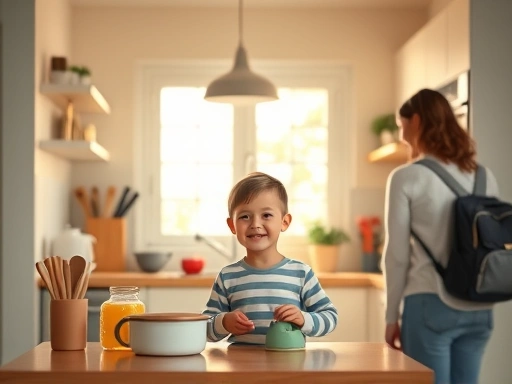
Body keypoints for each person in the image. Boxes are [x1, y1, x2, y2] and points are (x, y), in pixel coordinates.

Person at [382, 89, 498, 384]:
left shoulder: (406, 177)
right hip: (480, 307)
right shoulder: (484, 176)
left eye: (401, 124)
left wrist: (391, 316)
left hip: (430, 304)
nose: (401, 134)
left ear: (416, 121)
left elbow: (397, 255)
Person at [202, 172, 338, 345]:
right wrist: (224, 323)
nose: (255, 224)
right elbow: (205, 328)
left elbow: (330, 316)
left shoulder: (301, 273)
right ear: (232, 225)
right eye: (245, 216)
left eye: (266, 215)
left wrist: (303, 319)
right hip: (240, 367)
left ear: (284, 222)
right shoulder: (227, 276)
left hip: (289, 365)